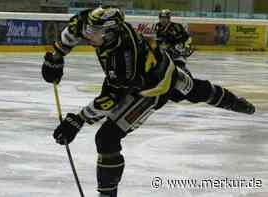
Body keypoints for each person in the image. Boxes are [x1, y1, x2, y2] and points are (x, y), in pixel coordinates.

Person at [41, 5, 255, 197]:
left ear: (111, 34)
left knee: (107, 138)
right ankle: (235, 102)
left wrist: (78, 120)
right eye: (89, 30)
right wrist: (57, 56)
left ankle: (234, 102)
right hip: (157, 66)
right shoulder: (93, 20)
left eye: (94, 33)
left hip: (150, 89)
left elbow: (113, 99)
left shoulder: (123, 58)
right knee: (194, 90)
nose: (88, 36)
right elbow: (75, 27)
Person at [154, 9, 193, 74]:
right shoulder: (158, 26)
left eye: (165, 18)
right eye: (161, 18)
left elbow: (187, 38)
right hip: (164, 54)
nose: (163, 20)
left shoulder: (176, 26)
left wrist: (185, 48)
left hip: (176, 54)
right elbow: (158, 40)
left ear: (169, 18)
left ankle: (188, 78)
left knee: (180, 68)